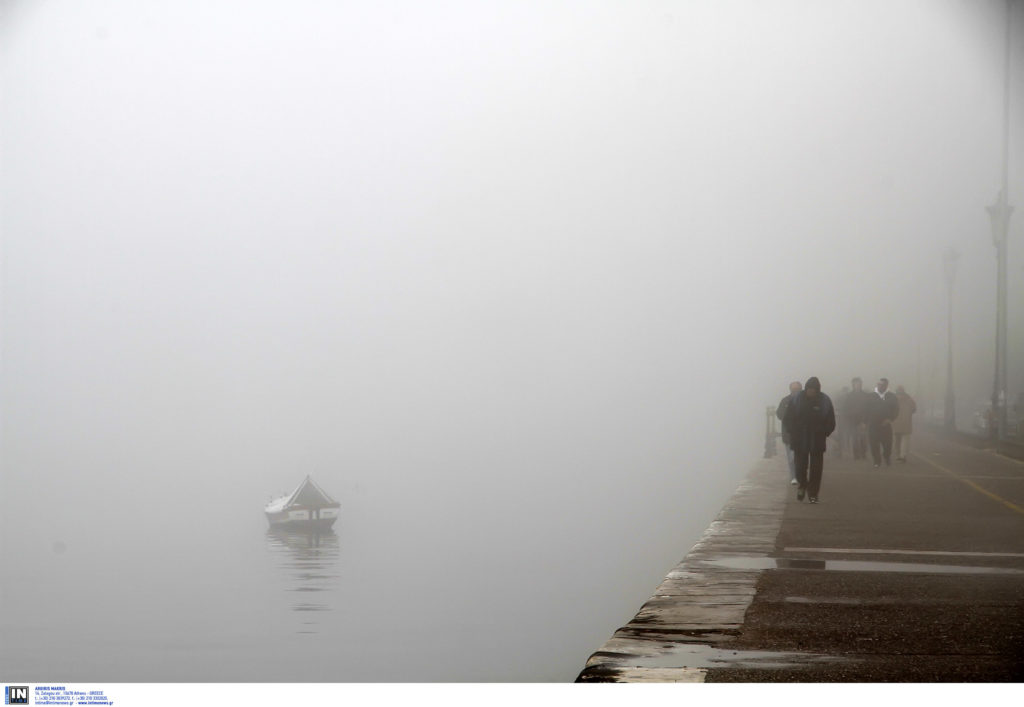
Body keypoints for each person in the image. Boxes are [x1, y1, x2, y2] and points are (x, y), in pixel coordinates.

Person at [783, 376, 836, 504]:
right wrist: (792, 431)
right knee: (800, 467)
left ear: (817, 390)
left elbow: (831, 421)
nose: (811, 392)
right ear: (806, 389)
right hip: (799, 439)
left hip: (817, 440)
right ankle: (802, 485)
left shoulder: (824, 400)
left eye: (813, 390)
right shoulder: (796, 400)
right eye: (809, 389)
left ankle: (813, 494)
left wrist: (824, 432)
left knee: (816, 470)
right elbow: (787, 418)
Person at [865, 377, 900, 467]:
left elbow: (896, 410)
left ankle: (886, 456)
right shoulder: (871, 396)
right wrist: (865, 422)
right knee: (873, 444)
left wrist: (890, 419)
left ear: (886, 385)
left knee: (888, 444)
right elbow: (865, 409)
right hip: (873, 424)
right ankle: (877, 461)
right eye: (879, 384)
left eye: (882, 385)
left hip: (886, 424)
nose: (880, 386)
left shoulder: (892, 396)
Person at [776, 381, 802, 485]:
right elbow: (779, 414)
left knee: (801, 456)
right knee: (791, 457)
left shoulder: (806, 401)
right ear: (790, 390)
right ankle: (794, 477)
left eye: (797, 389)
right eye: (793, 389)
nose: (795, 391)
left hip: (802, 434)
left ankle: (800, 474)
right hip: (789, 434)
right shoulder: (785, 400)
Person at [843, 377, 870, 460]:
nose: (858, 385)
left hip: (863, 420)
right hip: (853, 420)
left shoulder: (865, 395)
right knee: (854, 438)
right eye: (856, 384)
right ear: (853, 385)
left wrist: (865, 420)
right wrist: (848, 418)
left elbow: (868, 408)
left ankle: (863, 453)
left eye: (859, 384)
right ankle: (856, 455)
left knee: (863, 438)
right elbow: (846, 408)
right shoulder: (849, 396)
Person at [893, 385, 917, 463]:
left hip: (896, 423)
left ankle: (898, 455)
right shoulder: (909, 399)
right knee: (904, 440)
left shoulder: (894, 399)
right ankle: (902, 455)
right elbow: (914, 409)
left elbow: (889, 409)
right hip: (906, 423)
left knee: (897, 440)